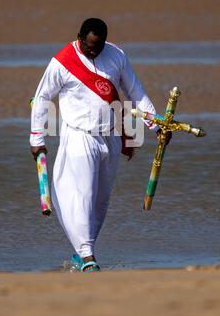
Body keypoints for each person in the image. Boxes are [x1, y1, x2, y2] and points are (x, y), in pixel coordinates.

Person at [30, 18, 171, 272]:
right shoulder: (62, 62)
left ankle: (83, 253)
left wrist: (157, 125)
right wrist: (37, 139)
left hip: (111, 137)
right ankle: (88, 257)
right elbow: (42, 98)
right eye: (90, 47)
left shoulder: (116, 55)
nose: (94, 51)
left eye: (99, 47)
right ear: (80, 38)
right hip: (79, 136)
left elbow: (136, 92)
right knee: (83, 195)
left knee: (100, 202)